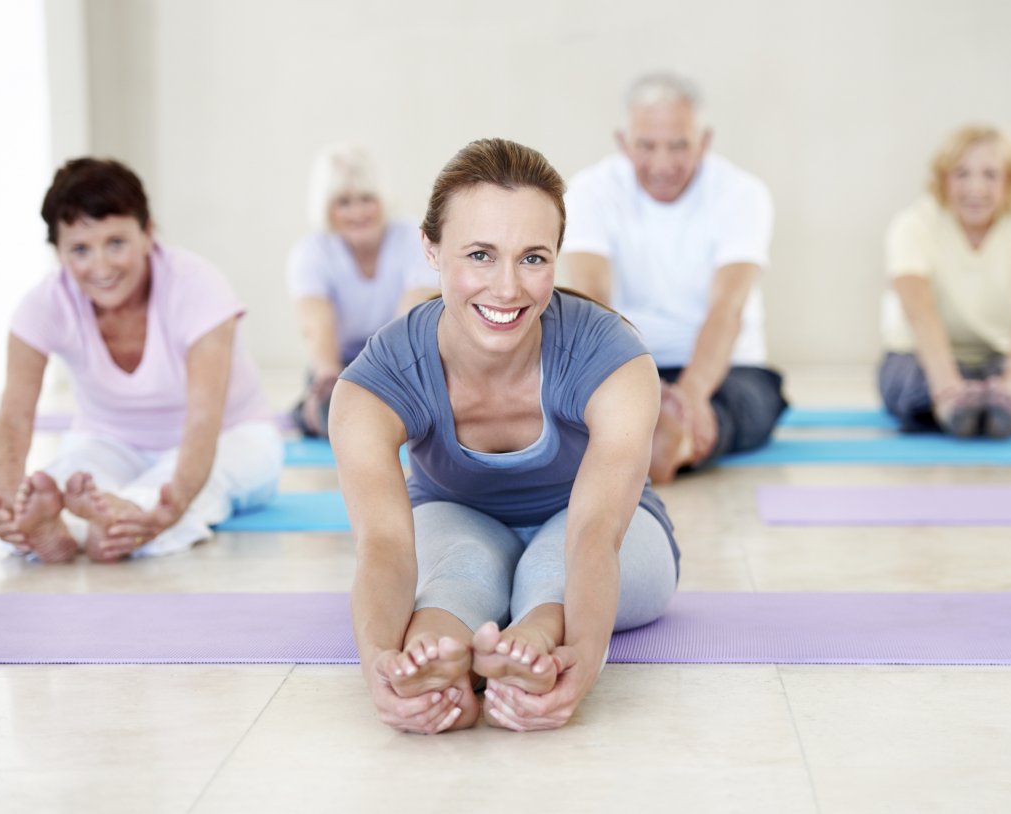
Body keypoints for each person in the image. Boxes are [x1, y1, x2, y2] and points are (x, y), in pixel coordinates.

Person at [330, 138, 679, 734]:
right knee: (457, 572)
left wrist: (582, 665)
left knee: (552, 570)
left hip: (605, 526)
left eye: (533, 258)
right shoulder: (375, 383)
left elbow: (594, 536)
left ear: (557, 258)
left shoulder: (615, 360)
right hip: (451, 514)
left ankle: (531, 649)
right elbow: (385, 547)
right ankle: (435, 664)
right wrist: (379, 672)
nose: (508, 288)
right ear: (431, 249)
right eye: (481, 255)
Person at [0, 157, 282, 563]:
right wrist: (8, 505)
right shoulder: (44, 304)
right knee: (63, 480)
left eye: (116, 243)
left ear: (148, 233)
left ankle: (120, 523)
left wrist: (171, 506)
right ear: (58, 252)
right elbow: (13, 418)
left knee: (181, 490)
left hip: (233, 437)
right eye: (80, 250)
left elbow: (203, 418)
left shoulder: (197, 286)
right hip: (110, 440)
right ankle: (67, 532)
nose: (101, 267)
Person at [562, 71, 787, 483]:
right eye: (647, 146)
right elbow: (590, 299)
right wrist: (622, 384)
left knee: (708, 416)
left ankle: (665, 438)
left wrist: (692, 395)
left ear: (704, 141)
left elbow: (728, 306)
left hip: (725, 372)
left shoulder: (742, 193)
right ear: (623, 142)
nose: (663, 164)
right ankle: (644, 434)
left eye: (679, 146)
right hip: (625, 364)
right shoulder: (590, 190)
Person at [879, 125, 1011, 437]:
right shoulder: (911, 226)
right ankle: (958, 411)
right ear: (943, 179)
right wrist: (946, 386)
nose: (975, 187)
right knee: (911, 380)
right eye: (961, 173)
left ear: (1010, 181)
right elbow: (919, 310)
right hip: (924, 354)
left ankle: (1005, 411)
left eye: (990, 175)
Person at [287, 143, 438, 437]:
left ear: (382, 199)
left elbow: (411, 316)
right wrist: (329, 379)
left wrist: (393, 378)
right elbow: (316, 326)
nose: (357, 212)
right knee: (332, 414)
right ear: (327, 208)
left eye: (367, 199)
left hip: (398, 360)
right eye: (344, 202)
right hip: (341, 365)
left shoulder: (412, 238)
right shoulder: (311, 251)